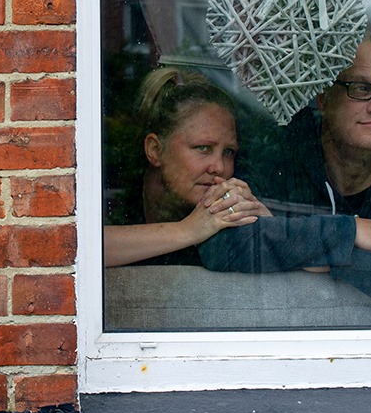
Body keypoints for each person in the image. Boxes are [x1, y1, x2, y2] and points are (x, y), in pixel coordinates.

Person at [199, 32, 371, 325]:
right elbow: (220, 243)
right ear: (324, 99)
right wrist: (350, 232)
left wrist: (326, 253)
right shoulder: (278, 154)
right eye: (361, 88)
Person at [103, 67, 269, 268]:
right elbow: (78, 247)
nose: (218, 167)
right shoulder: (107, 207)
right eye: (203, 148)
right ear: (155, 150)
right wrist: (188, 231)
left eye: (228, 152)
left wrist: (267, 227)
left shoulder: (223, 217)